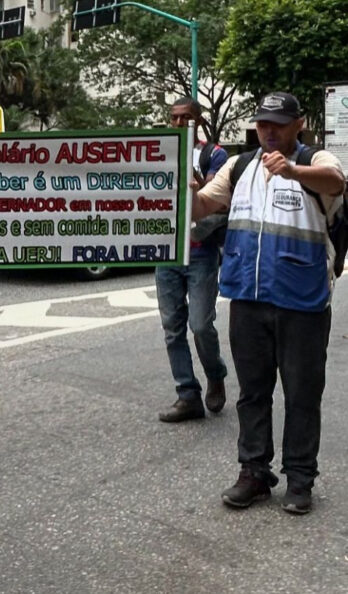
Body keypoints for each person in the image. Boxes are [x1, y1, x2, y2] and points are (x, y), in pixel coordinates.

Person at [193, 91, 346, 514]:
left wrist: (294, 171)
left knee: (301, 395)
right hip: (246, 297)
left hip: (303, 303)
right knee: (253, 393)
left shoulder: (316, 162)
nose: (270, 131)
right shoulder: (239, 166)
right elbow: (205, 204)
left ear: (299, 125)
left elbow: (337, 183)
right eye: (263, 123)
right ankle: (254, 472)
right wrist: (187, 194)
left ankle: (300, 480)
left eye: (279, 123)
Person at [156, 97, 229, 423]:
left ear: (198, 121)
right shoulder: (157, 152)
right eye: (174, 118)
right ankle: (188, 395)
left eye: (185, 118)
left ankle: (215, 374)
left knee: (200, 325)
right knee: (173, 329)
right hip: (167, 251)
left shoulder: (214, 155)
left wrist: (198, 186)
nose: (178, 124)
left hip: (200, 252)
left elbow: (215, 198)